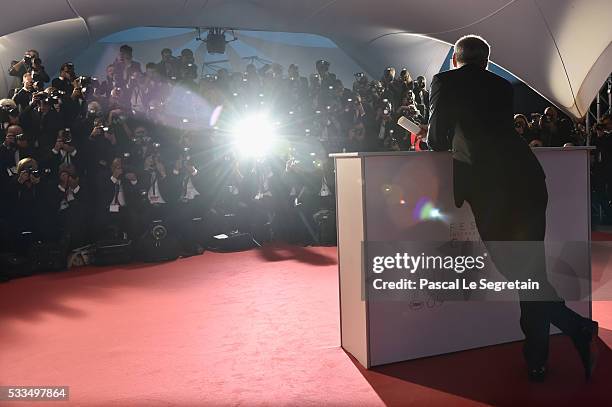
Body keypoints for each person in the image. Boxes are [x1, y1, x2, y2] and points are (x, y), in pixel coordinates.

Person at [422, 34, 598, 382]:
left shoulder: (444, 81)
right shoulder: (502, 87)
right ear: (486, 62)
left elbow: (437, 140)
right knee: (532, 274)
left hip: (493, 190)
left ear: (455, 59)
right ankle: (538, 360)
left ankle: (575, 327)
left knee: (522, 275)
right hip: (528, 180)